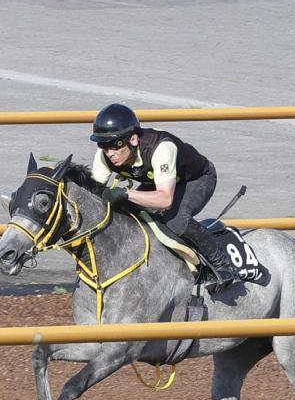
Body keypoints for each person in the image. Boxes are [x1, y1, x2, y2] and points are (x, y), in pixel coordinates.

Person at [88, 103, 237, 293]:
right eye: (103, 146)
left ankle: (222, 264)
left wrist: (126, 194)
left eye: (115, 145)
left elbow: (165, 200)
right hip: (157, 180)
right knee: (126, 213)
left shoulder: (161, 148)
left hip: (196, 178)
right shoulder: (104, 156)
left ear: (133, 139)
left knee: (174, 219)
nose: (109, 153)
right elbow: (94, 194)